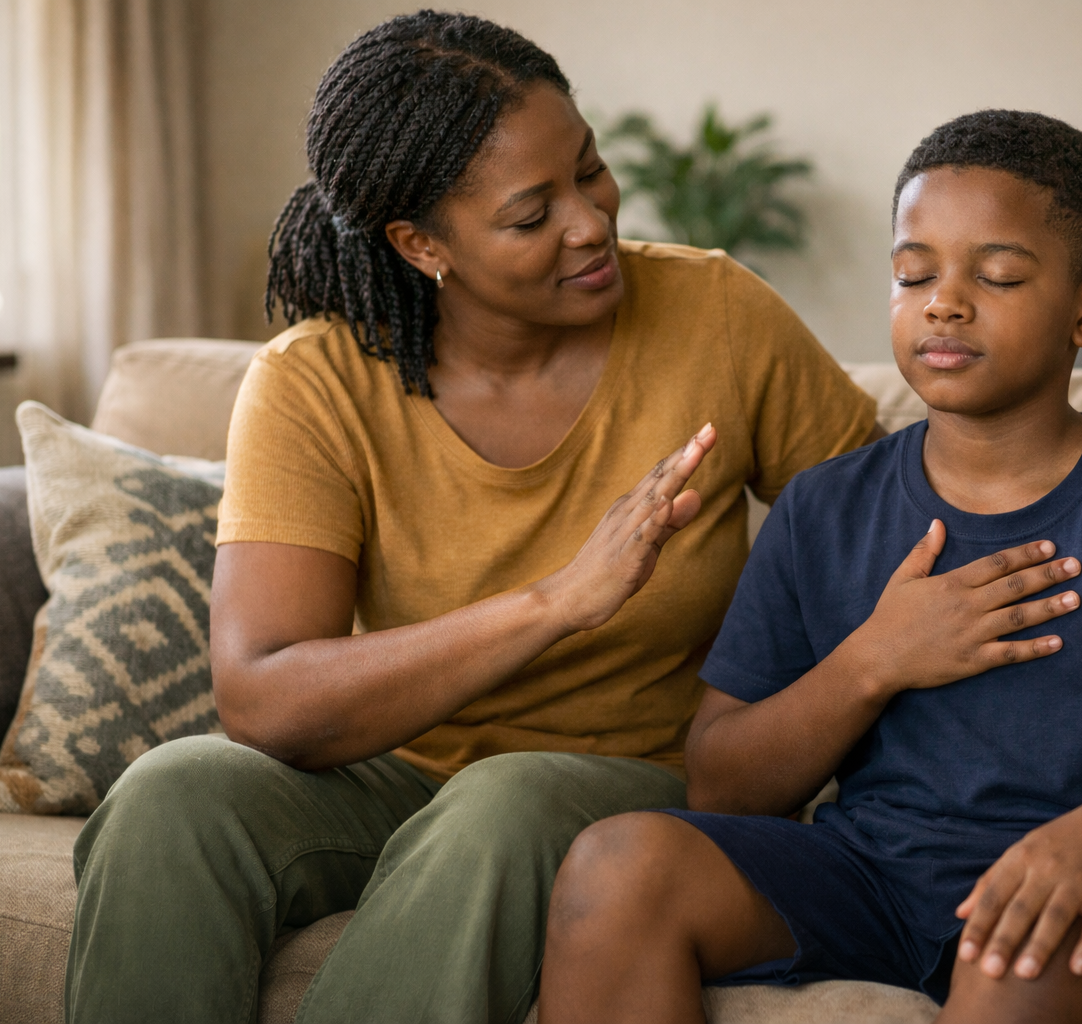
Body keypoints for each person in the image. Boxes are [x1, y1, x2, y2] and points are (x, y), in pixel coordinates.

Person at [63, 12, 887, 1024]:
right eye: (532, 212)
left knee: (500, 805)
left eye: (589, 171)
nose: (590, 222)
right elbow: (265, 693)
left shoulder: (716, 314)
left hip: (640, 778)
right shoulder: (315, 381)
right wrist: (554, 603)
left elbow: (889, 532)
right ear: (420, 244)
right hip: (402, 773)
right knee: (171, 793)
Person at [539, 110, 1082, 1024]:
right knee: (616, 863)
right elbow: (722, 786)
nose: (943, 300)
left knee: (1017, 958)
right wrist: (874, 661)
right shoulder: (823, 508)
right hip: (872, 870)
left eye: (998, 275)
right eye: (914, 273)